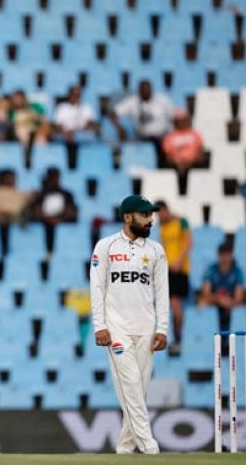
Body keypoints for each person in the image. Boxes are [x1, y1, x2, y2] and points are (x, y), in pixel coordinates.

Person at [90, 194, 169, 455]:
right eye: (144, 215)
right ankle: (150, 446)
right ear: (127, 217)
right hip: (116, 329)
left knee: (137, 391)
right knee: (131, 386)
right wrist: (100, 326)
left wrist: (162, 329)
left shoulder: (156, 250)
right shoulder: (106, 246)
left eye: (151, 215)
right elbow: (97, 288)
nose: (150, 220)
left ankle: (124, 449)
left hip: (146, 329)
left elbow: (162, 292)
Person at [156, 201, 192, 356]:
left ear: (166, 210)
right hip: (168, 269)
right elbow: (163, 245)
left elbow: (188, 242)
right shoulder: (162, 226)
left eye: (161, 213)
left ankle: (179, 337)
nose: (160, 216)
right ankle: (175, 337)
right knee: (171, 303)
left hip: (180, 269)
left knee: (175, 302)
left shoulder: (181, 222)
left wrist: (179, 260)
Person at [0, 169, 34, 258]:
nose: (12, 180)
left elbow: (26, 205)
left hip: (15, 218)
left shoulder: (19, 193)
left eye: (13, 178)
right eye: (9, 178)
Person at [109, 80, 175, 143]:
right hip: (142, 138)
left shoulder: (163, 100)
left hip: (162, 137)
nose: (145, 91)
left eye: (147, 89)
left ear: (151, 89)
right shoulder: (133, 101)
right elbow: (112, 113)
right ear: (139, 91)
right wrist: (119, 128)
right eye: (143, 89)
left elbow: (174, 116)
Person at [199, 242, 244, 333]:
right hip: (215, 303)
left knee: (241, 309)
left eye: (227, 254)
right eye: (223, 254)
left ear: (231, 255)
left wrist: (229, 302)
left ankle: (234, 338)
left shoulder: (237, 271)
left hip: (230, 304)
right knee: (202, 304)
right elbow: (205, 293)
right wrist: (219, 300)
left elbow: (239, 298)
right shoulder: (211, 270)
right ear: (218, 255)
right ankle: (205, 336)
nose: (225, 258)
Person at [32, 167, 78, 252]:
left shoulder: (66, 194)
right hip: (44, 223)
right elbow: (36, 211)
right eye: (51, 177)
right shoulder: (40, 194)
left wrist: (59, 219)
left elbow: (71, 211)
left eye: (55, 177)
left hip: (62, 222)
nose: (53, 180)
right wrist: (47, 219)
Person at [162, 109, 205, 174]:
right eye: (179, 120)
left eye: (183, 120)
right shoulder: (170, 136)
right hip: (175, 166)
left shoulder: (195, 134)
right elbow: (168, 155)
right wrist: (178, 163)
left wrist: (189, 163)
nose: (181, 122)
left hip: (193, 165)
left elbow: (200, 152)